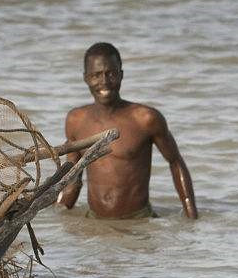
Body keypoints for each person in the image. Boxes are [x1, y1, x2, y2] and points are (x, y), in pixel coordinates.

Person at [59, 42, 198, 219]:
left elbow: (175, 162)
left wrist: (192, 216)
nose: (104, 82)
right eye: (96, 75)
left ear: (121, 75)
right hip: (93, 222)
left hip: (138, 221)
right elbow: (73, 176)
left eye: (111, 74)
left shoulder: (145, 119)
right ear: (86, 78)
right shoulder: (76, 120)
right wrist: (57, 217)